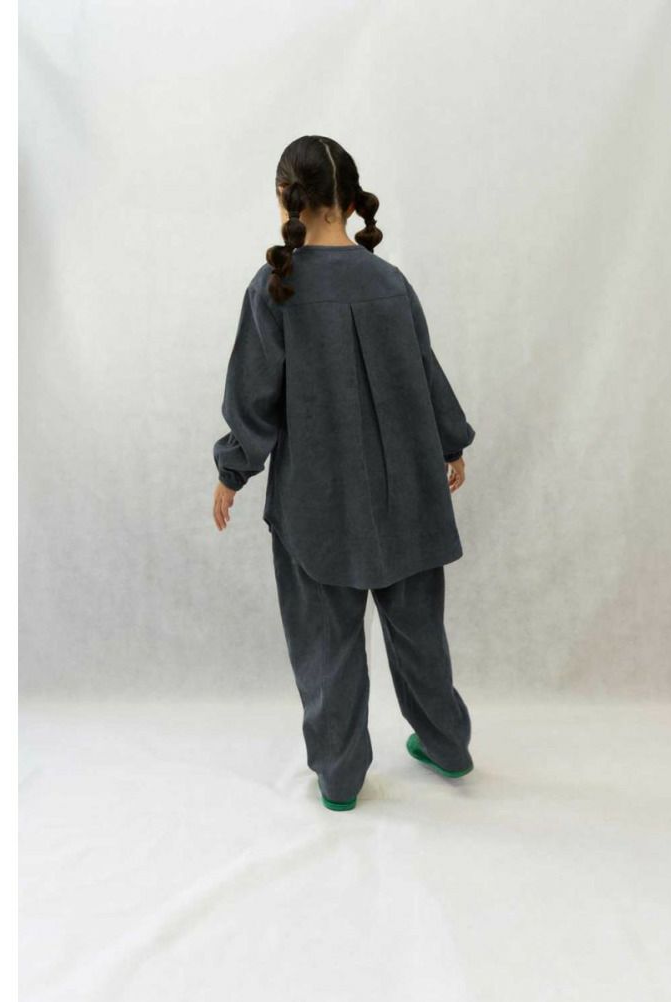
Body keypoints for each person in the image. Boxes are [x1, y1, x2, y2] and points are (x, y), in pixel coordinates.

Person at [211, 135, 476, 812]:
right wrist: (451, 443)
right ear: (352, 201)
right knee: (419, 633)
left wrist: (233, 471)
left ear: (286, 197)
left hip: (318, 504)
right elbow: (426, 369)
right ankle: (447, 745)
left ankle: (340, 777)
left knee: (325, 640)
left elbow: (253, 397)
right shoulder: (390, 282)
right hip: (409, 493)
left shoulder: (276, 287)